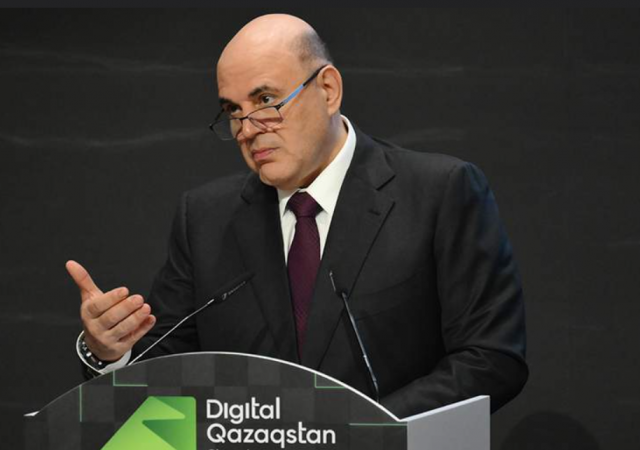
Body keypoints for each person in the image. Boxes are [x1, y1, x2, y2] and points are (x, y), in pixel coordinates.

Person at [68, 13, 528, 419]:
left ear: (328, 90)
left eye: (266, 100)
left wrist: (361, 432)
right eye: (233, 111)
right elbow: (164, 368)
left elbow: (490, 358)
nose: (247, 130)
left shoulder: (438, 192)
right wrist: (110, 353)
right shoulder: (206, 219)